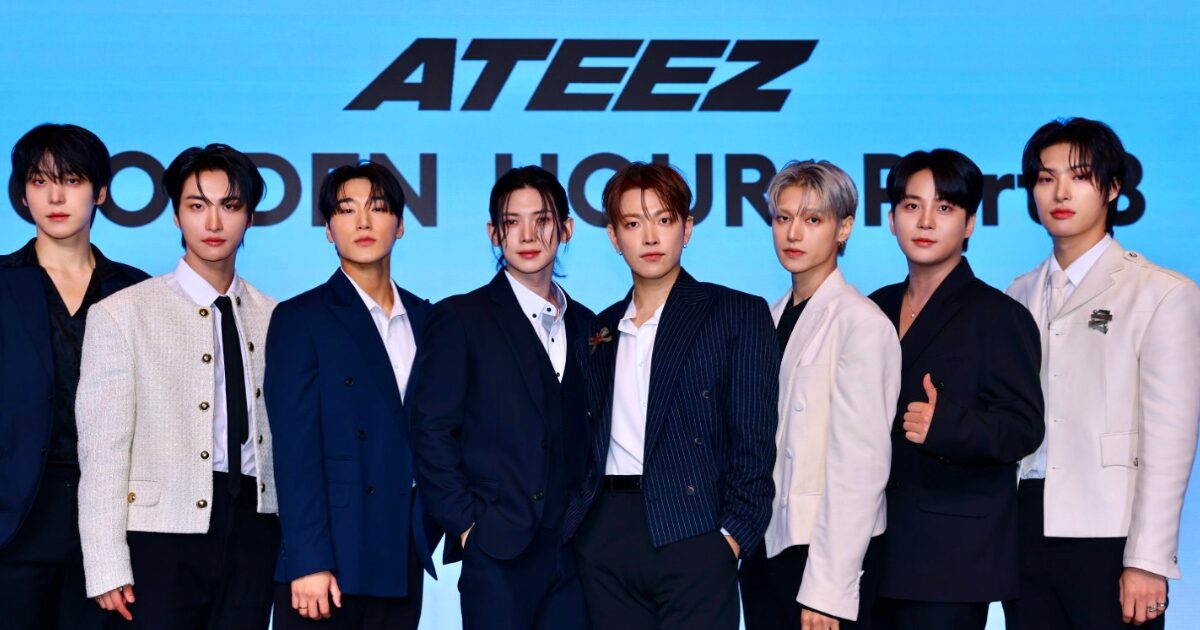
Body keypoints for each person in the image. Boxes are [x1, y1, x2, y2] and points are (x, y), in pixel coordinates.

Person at [1003, 117, 1200, 629]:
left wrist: (1148, 560)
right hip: (1022, 526)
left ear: (1113, 188)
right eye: (1046, 178)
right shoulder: (1016, 293)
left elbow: (1170, 439)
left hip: (1111, 531)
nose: (1060, 193)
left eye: (1080, 176)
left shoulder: (1162, 293)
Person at [564, 161, 779, 630]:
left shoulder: (736, 313)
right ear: (613, 237)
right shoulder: (598, 330)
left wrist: (731, 538)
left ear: (688, 228)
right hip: (606, 535)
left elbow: (755, 439)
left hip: (694, 530)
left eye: (663, 220)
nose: (650, 237)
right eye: (632, 224)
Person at [77, 144, 280, 628]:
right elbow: (102, 450)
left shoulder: (276, 316)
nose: (213, 222)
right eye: (197, 205)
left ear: (250, 218)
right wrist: (105, 563)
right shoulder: (122, 314)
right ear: (175, 215)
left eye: (230, 206)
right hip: (159, 533)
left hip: (255, 528)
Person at [409, 165, 592, 629]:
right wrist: (467, 526)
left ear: (566, 228)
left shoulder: (590, 326)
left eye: (542, 220)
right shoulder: (460, 318)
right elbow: (430, 431)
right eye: (512, 222)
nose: (527, 235)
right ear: (494, 233)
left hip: (576, 554)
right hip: (496, 550)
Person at [867, 149, 1044, 630]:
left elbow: (1024, 427)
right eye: (912, 206)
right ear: (891, 219)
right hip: (869, 549)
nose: (925, 221)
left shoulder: (999, 315)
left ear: (968, 224)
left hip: (950, 559)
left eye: (944, 207)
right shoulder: (872, 308)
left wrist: (947, 426)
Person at [266, 162, 438, 629]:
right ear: (328, 230)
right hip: (328, 562)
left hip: (400, 553)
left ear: (400, 225)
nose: (363, 222)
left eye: (378, 208)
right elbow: (294, 450)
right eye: (346, 210)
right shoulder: (300, 318)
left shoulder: (428, 319)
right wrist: (307, 560)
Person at [738, 160, 899, 630]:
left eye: (812, 219)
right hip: (764, 548)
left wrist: (829, 590)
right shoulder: (766, 317)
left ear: (843, 228)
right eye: (783, 217)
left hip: (820, 556)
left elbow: (860, 469)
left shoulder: (861, 323)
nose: (794, 233)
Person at [0, 123, 148, 630]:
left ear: (100, 191)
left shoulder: (137, 292)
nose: (56, 197)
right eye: (39, 181)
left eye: (72, 180)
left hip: (115, 522)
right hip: (16, 519)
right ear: (22, 193)